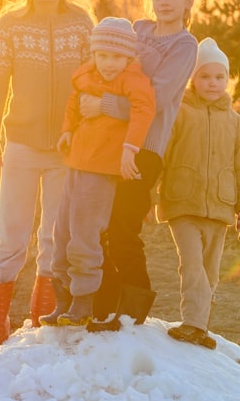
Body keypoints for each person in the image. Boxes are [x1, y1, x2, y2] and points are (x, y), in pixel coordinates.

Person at [0, 0, 94, 352]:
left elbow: (94, 83)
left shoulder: (81, 24)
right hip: (21, 146)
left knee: (54, 236)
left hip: (67, 148)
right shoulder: (10, 25)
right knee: (11, 234)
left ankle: (39, 320)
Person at [82, 0, 198, 329]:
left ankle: (133, 311)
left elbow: (158, 97)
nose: (164, 2)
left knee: (123, 227)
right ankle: (104, 306)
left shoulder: (184, 45)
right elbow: (110, 67)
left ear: (187, 2)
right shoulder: (139, 30)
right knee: (99, 225)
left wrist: (104, 105)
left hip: (145, 149)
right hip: (111, 144)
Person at [39, 17, 156, 327]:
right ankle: (62, 298)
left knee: (85, 235)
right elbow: (73, 102)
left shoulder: (132, 81)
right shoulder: (86, 75)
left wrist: (130, 148)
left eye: (117, 57)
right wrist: (67, 130)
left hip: (101, 170)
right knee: (61, 232)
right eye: (102, 55)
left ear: (128, 57)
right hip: (76, 162)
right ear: (94, 53)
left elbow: (144, 111)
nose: (108, 63)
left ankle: (83, 301)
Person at [157, 37, 240, 349]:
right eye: (204, 76)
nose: (212, 83)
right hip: (182, 203)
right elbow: (160, 156)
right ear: (192, 78)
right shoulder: (180, 113)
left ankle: (201, 325)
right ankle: (193, 323)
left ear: (228, 79)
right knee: (191, 266)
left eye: (219, 77)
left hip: (220, 207)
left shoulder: (235, 121)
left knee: (210, 271)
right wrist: (149, 196)